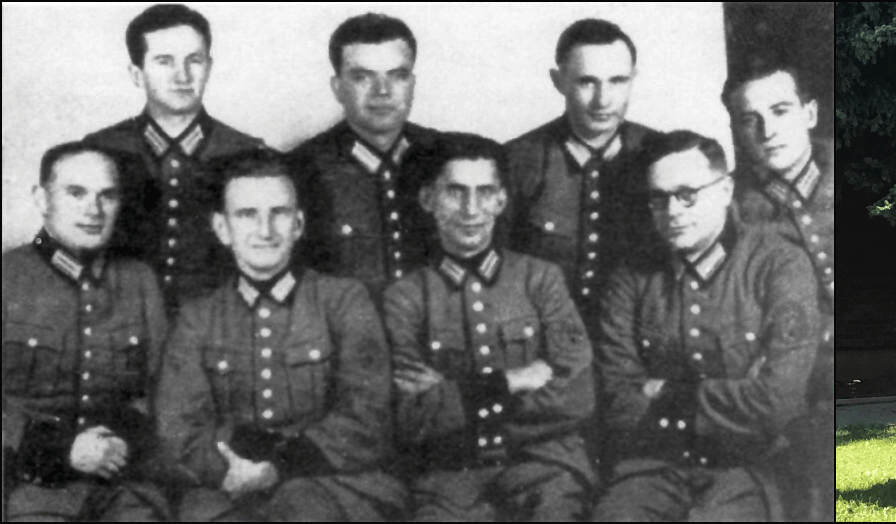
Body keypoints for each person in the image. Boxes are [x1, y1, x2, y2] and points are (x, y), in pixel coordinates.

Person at [153, 150, 404, 520]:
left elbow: (368, 416)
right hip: (227, 487)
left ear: (299, 224)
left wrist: (278, 467)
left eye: (279, 213)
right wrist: (235, 470)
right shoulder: (197, 318)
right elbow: (179, 432)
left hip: (333, 485)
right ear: (222, 229)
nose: (265, 230)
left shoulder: (344, 300)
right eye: (247, 215)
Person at [592, 131, 819, 521]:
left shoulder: (780, 265)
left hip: (748, 468)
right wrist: (732, 397)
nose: (673, 211)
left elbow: (777, 403)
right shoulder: (630, 279)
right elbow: (617, 402)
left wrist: (664, 393)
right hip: (652, 467)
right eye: (659, 198)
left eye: (688, 194)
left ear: (725, 188)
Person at [384, 133, 596, 520]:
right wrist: (511, 381)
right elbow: (409, 415)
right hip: (449, 476)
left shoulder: (540, 279)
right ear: (428, 199)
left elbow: (578, 392)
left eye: (485, 192)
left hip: (544, 467)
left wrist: (454, 397)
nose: (471, 209)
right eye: (456, 192)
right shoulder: (405, 297)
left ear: (501, 200)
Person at [3, 143, 170, 520]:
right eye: (76, 193)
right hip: (28, 487)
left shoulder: (140, 281)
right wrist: (62, 449)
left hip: (121, 484)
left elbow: (165, 390)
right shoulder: (7, 278)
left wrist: (120, 444)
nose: (93, 210)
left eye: (106, 196)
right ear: (42, 199)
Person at [83, 3, 269, 314]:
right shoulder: (99, 151)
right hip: (120, 323)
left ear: (208, 66)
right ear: (137, 74)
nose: (182, 75)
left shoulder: (247, 153)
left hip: (220, 325)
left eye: (193, 60)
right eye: (164, 61)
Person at [502, 18, 665, 332]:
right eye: (587, 82)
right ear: (558, 80)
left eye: (618, 81)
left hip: (641, 339)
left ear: (634, 79)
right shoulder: (518, 160)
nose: (603, 100)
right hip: (545, 341)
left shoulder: (661, 155)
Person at [724, 60, 835, 522]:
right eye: (750, 119)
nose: (767, 129)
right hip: (796, 381)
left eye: (780, 110)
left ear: (809, 113)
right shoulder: (731, 209)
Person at [290, 13, 442, 296]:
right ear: (337, 88)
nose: (382, 92)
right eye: (362, 77)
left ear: (413, 83)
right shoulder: (301, 169)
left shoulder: (446, 158)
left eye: (398, 76)